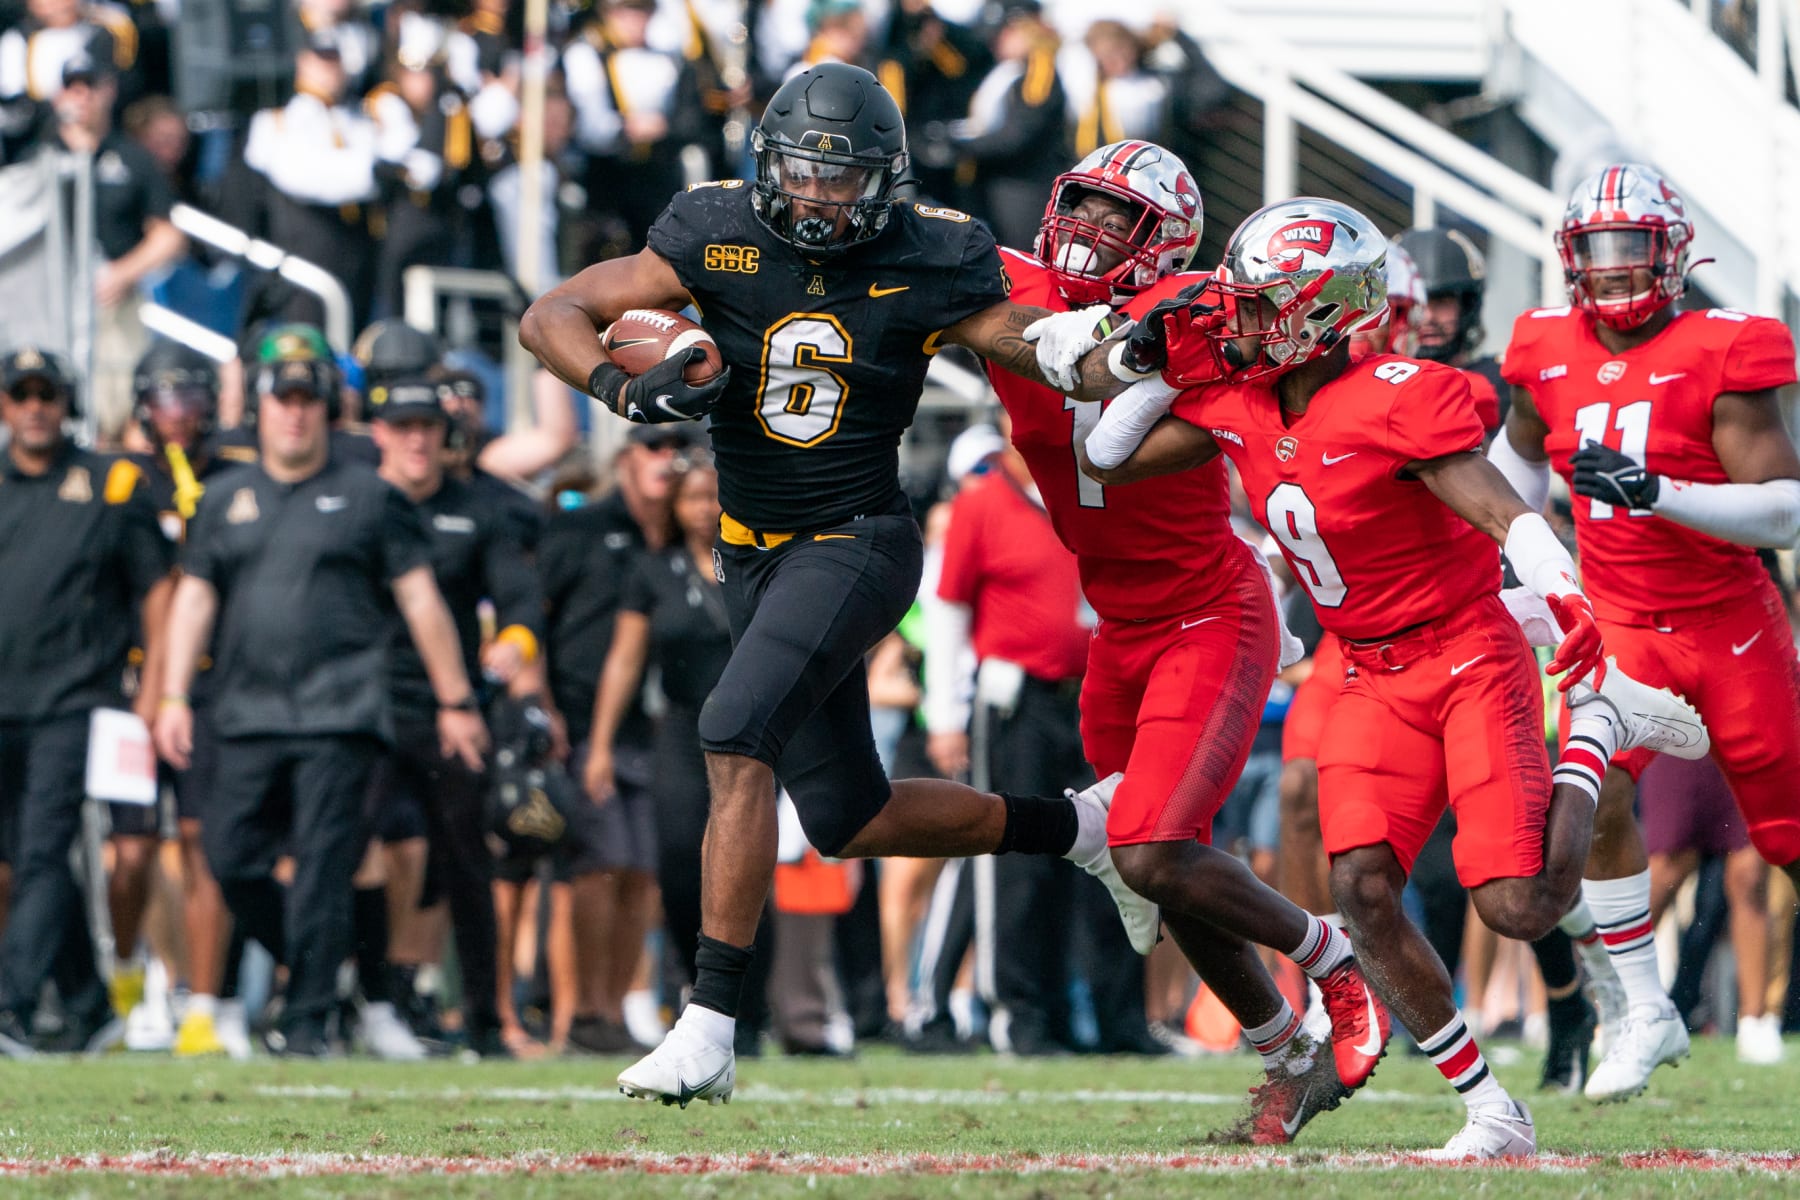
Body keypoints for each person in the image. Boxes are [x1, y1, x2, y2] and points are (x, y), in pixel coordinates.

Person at [519, 61, 1155, 1107]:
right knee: (848, 817)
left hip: (857, 539)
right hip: (750, 549)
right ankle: (1082, 829)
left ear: (885, 182)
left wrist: (1110, 354)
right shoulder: (709, 230)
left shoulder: (932, 252)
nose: (820, 195)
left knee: (732, 730)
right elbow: (555, 312)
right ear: (769, 169)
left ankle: (711, 1024)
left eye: (842, 177)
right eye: (804, 174)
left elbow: (1025, 345)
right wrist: (621, 389)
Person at [1083, 196, 1710, 1158]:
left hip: (1465, 655)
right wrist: (1167, 363)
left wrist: (1565, 589)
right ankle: (1492, 1112)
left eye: (1258, 305)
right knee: (1361, 891)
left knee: (1517, 905)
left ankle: (1595, 734)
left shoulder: (1402, 394)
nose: (1237, 321)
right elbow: (1106, 452)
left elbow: (1503, 511)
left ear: (1323, 311)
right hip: (1369, 674)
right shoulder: (1244, 399)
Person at [991, 140, 1397, 1135]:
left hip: (1209, 611)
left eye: (1114, 216)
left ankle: (1334, 958)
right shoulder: (1007, 282)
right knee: (1165, 869)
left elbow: (1115, 445)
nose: (1087, 228)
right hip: (1118, 626)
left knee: (1154, 845)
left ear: (1163, 238)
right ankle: (1286, 1054)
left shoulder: (1210, 314)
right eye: (1079, 204)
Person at [1491, 162, 1800, 1100]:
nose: (1616, 270)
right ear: (1570, 258)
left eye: (1633, 250)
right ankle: (1646, 1007)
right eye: (1597, 252)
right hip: (1621, 625)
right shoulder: (1540, 346)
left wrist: (1661, 492)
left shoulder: (1726, 345)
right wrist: (1525, 569)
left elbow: (1785, 510)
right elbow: (1513, 466)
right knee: (1584, 804)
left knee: (1785, 837)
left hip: (1731, 626)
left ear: (1672, 254)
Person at [151, 324, 488, 1056]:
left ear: (329, 408)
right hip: (243, 712)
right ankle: (323, 969)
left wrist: (455, 701)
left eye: (309, 397)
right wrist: (173, 696)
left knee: (323, 868)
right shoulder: (223, 498)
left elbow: (422, 602)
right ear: (262, 407)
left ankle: (305, 1025)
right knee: (232, 857)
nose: (295, 411)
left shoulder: (373, 496)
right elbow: (194, 599)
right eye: (284, 397)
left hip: (341, 712)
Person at [0, 345, 173, 1056]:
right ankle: (87, 1002)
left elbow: (157, 591)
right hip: (3, 703)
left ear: (67, 403)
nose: (36, 406)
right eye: (22, 393)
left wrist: (158, 692)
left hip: (76, 700)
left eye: (48, 393)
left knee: (43, 851)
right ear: (5, 405)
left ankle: (9, 1005)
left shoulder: (113, 483)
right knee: (19, 858)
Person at [367, 375, 543, 1058]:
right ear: (380, 432)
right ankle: (368, 993)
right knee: (356, 850)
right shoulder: (357, 503)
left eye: (429, 426)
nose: (418, 438)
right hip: (364, 707)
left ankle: (482, 1017)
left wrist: (500, 663)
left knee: (467, 863)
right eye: (404, 425)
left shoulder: (478, 511)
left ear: (447, 436)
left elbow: (523, 608)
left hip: (454, 713)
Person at [113, 340, 242, 1058]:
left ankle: (202, 998)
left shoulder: (230, 478)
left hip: (209, 684)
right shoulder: (122, 481)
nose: (180, 416)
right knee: (128, 849)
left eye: (192, 399)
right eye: (165, 400)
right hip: (130, 685)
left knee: (200, 842)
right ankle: (138, 981)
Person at [582, 453, 733, 1011]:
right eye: (691, 497)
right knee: (673, 855)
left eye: (711, 496)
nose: (703, 509)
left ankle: (747, 997)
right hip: (679, 725)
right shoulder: (652, 570)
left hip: (748, 730)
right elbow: (624, 661)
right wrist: (599, 745)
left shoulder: (746, 563)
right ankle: (691, 974)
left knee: (744, 856)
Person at [45, 53, 187, 442]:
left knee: (119, 407)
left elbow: (168, 235)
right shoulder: (40, 154)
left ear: (108, 91)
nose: (82, 97)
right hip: (51, 302)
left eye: (91, 87)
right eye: (73, 87)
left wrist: (123, 272)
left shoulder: (131, 157)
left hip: (113, 302)